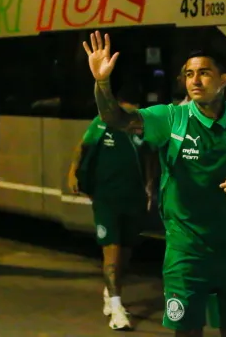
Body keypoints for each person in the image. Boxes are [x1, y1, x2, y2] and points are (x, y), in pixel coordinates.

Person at [82, 31, 226, 337]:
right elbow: (116, 118)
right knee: (187, 330)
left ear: (224, 80)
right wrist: (102, 83)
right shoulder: (171, 118)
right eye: (189, 74)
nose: (195, 81)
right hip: (186, 249)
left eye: (204, 73)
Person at [68, 84, 156, 331]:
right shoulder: (101, 123)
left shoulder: (143, 125)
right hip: (106, 197)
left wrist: (151, 189)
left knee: (125, 254)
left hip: (134, 198)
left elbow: (151, 157)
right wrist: (73, 173)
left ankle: (111, 291)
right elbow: (82, 147)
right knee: (112, 251)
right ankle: (117, 308)